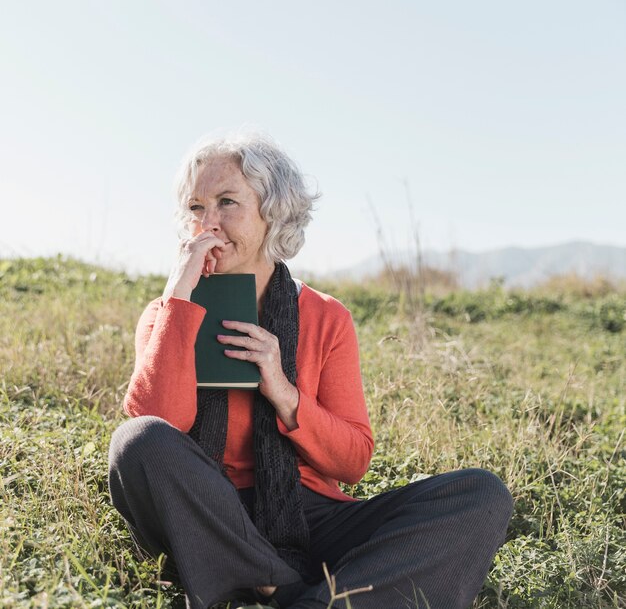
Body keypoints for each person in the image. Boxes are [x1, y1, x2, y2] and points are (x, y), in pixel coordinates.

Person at [108, 131, 514, 609]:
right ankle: (302, 590)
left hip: (311, 516)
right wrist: (179, 295)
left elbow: (352, 463)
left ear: (272, 212)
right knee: (136, 439)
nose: (209, 225)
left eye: (227, 202)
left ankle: (274, 589)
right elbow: (158, 428)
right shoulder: (167, 313)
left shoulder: (326, 316)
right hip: (206, 513)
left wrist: (285, 394)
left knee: (480, 495)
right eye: (196, 208)